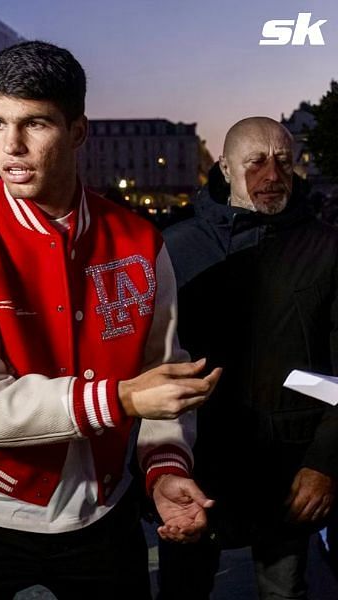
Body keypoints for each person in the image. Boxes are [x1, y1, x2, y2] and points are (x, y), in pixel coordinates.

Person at [0, 41, 223, 599]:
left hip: (104, 510)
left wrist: (165, 469)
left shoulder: (141, 243)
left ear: (77, 131)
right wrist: (118, 400)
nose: (11, 146)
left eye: (36, 123)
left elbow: (164, 378)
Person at [158, 117, 338, 600]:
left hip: (289, 468)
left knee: (284, 592)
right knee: (182, 590)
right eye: (255, 161)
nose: (272, 174)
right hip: (198, 463)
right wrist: (159, 466)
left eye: (282, 160)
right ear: (224, 168)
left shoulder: (327, 248)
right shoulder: (175, 248)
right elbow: (147, 360)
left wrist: (325, 462)